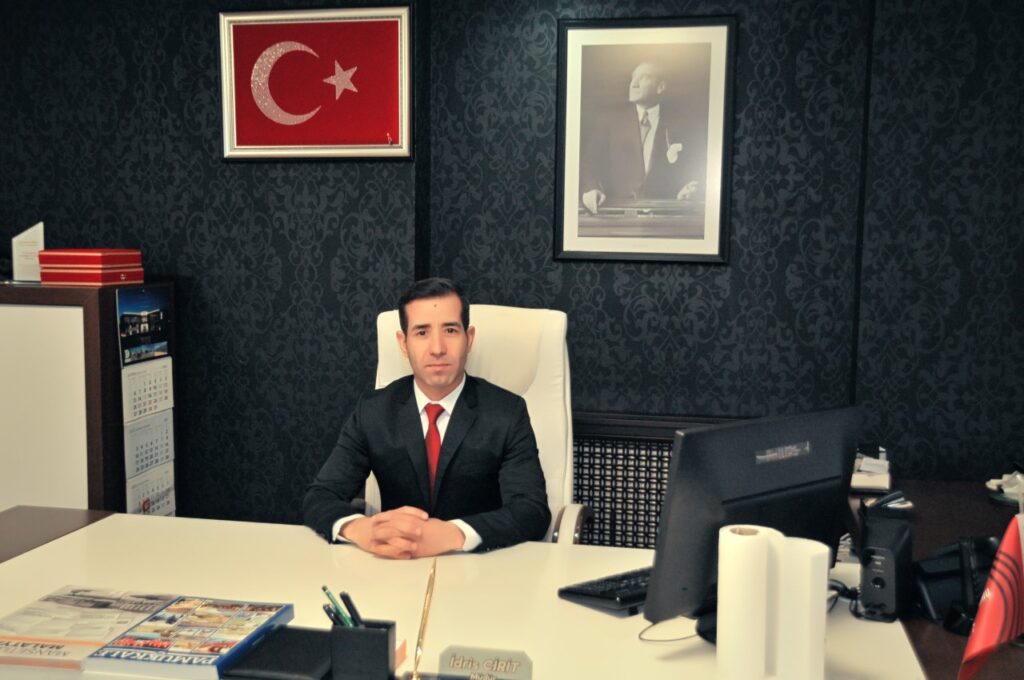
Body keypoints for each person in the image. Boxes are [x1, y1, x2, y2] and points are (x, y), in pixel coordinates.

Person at [303, 278, 550, 558]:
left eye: (450, 330)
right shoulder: (373, 411)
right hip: (395, 567)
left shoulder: (507, 412)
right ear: (403, 343)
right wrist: (361, 529)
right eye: (422, 332)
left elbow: (531, 511)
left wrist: (456, 534)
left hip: (479, 566)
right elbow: (320, 495)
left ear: (469, 339)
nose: (437, 348)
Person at [580, 61, 704, 214]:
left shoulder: (682, 124)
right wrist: (591, 189)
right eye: (633, 78)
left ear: (660, 87)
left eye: (644, 77)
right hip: (617, 215)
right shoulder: (609, 122)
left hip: (665, 215)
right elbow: (589, 165)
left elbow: (694, 168)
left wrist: (687, 189)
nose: (634, 84)